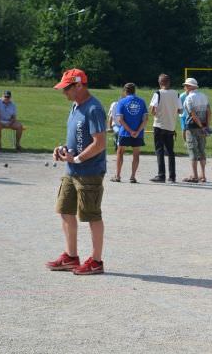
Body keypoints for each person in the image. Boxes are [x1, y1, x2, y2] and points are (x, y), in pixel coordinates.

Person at [46, 68, 107, 275]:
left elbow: (99, 144)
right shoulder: (75, 106)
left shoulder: (94, 108)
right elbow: (79, 140)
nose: (64, 92)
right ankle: (71, 257)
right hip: (71, 170)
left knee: (91, 215)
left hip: (89, 172)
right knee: (65, 210)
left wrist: (78, 158)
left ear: (79, 85)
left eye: (67, 88)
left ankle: (96, 261)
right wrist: (62, 149)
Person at [111, 83, 148, 183]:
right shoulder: (142, 101)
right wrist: (137, 131)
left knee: (120, 152)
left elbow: (120, 119)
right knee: (136, 154)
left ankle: (118, 176)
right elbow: (145, 119)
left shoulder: (122, 102)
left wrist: (130, 131)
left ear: (125, 91)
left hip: (124, 133)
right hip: (138, 133)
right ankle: (132, 176)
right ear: (135, 90)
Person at [149, 74, 183, 183]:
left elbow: (152, 110)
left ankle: (161, 175)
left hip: (159, 125)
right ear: (169, 82)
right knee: (170, 151)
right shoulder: (176, 94)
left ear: (159, 83)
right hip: (171, 126)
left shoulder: (158, 93)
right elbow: (180, 110)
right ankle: (172, 176)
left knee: (159, 150)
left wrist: (156, 113)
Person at [183, 77, 212, 183]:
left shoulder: (189, 98)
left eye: (186, 85)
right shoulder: (204, 96)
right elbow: (209, 111)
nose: (185, 87)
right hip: (203, 127)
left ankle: (195, 176)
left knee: (192, 151)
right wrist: (206, 126)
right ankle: (203, 175)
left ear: (191, 87)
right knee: (202, 150)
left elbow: (193, 114)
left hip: (192, 127)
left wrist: (200, 125)